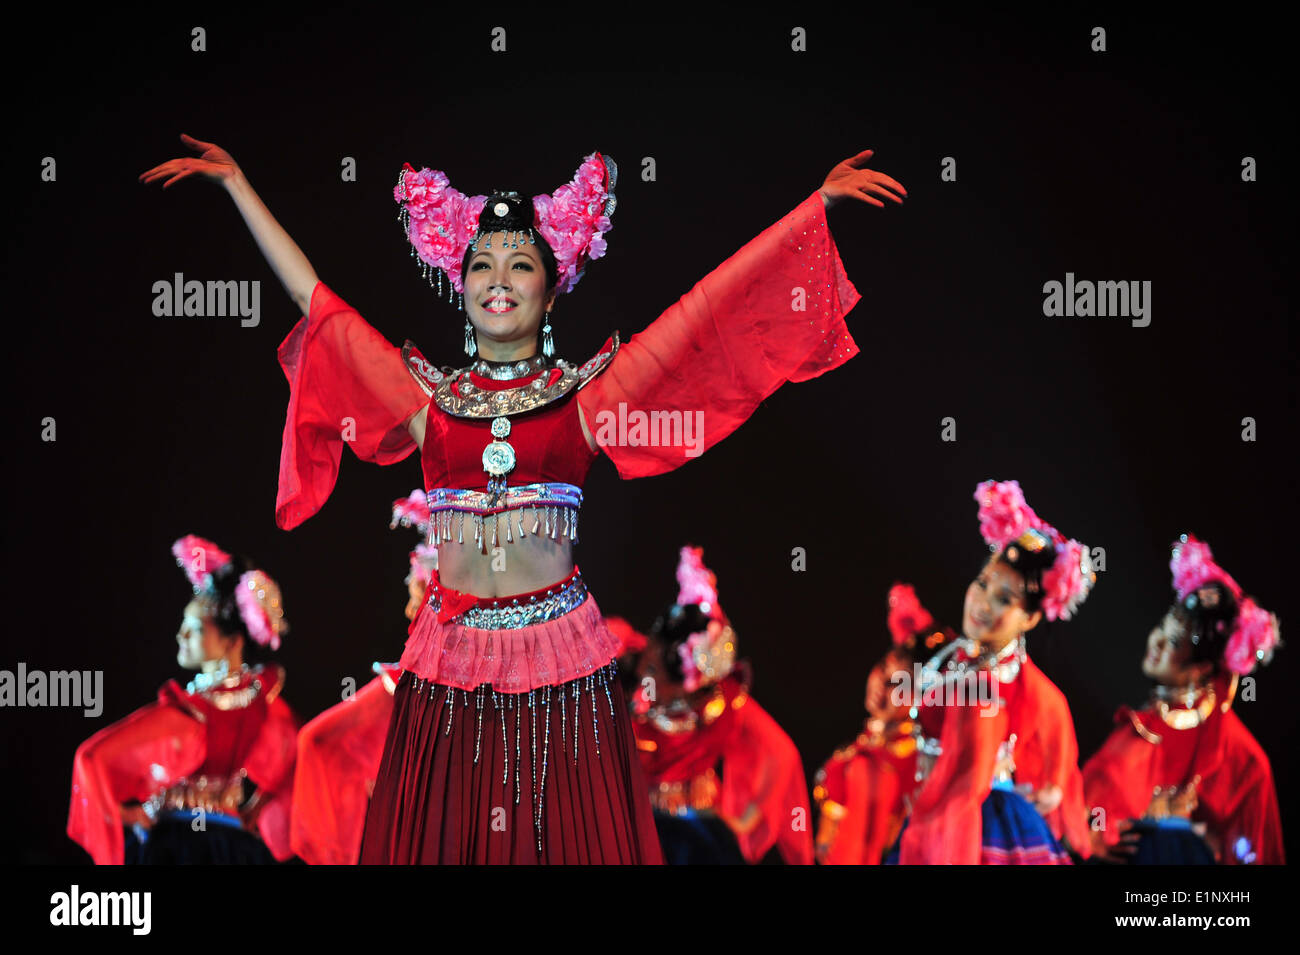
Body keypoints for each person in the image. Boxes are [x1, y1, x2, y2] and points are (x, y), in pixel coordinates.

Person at [139, 134, 905, 864]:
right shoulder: (427, 403)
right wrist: (238, 186)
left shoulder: (588, 399)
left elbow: (707, 311)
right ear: (459, 282)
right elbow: (319, 303)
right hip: (449, 663)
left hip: (560, 660)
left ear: (553, 284)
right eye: (480, 264)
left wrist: (817, 210)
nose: (497, 278)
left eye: (519, 263)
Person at [893, 480, 1096, 864]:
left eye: (1004, 598)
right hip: (935, 812)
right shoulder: (950, 659)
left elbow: (1058, 780)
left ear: (1032, 618)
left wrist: (1051, 792)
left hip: (977, 824)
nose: (983, 603)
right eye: (983, 584)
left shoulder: (1025, 689)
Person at [67, 535, 298, 864]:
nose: (181, 635)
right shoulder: (265, 701)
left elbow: (91, 758)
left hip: (178, 845)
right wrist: (253, 809)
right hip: (236, 846)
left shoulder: (192, 714)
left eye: (195, 629)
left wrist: (127, 815)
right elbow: (295, 758)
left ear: (232, 640)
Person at [1083, 534, 1283, 864]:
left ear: (1202, 667)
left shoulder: (1231, 747)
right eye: (1162, 627)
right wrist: (1091, 831)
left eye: (1174, 643)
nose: (1157, 641)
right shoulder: (1146, 723)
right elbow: (1098, 796)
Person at [614, 546, 815, 865]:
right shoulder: (620, 675)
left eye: (653, 671)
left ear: (689, 684)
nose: (642, 672)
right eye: (647, 657)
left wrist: (744, 822)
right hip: (632, 828)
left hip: (699, 835)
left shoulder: (723, 704)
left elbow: (781, 753)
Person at [289, 490, 435, 865]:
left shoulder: (406, 685)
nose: (408, 610)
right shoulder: (502, 676)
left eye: (414, 593)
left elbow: (317, 741)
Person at [813, 583, 957, 864]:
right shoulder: (860, 749)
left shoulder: (917, 766)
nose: (881, 684)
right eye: (882, 669)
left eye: (897, 683)